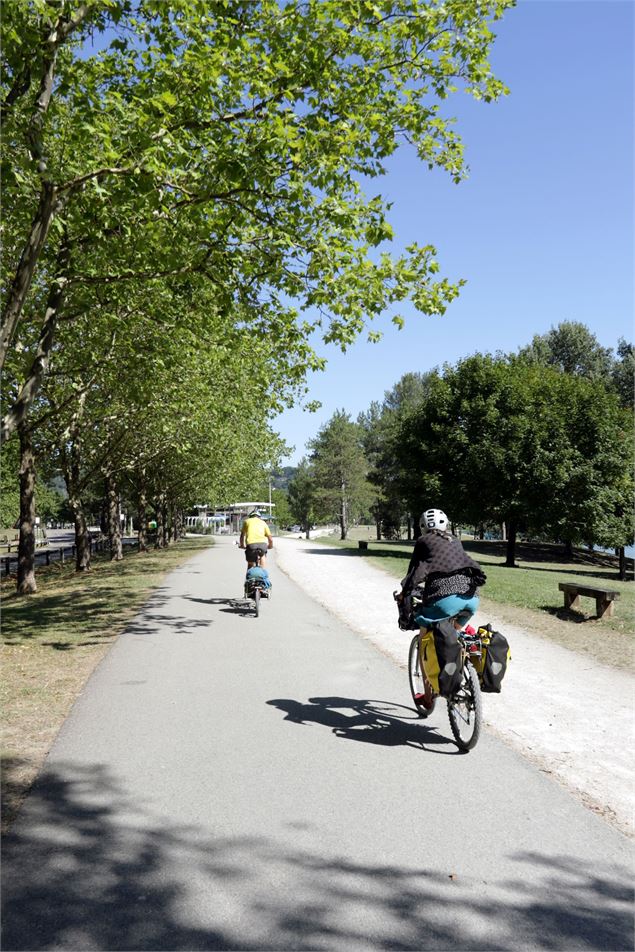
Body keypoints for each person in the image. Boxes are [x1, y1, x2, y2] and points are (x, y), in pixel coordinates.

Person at [398, 507, 486, 629]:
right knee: (454, 633)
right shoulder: (454, 539)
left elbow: (414, 572)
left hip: (446, 602)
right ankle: (459, 645)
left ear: (423, 526)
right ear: (446, 523)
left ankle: (423, 647)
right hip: (472, 599)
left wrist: (404, 592)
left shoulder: (423, 540)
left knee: (424, 623)